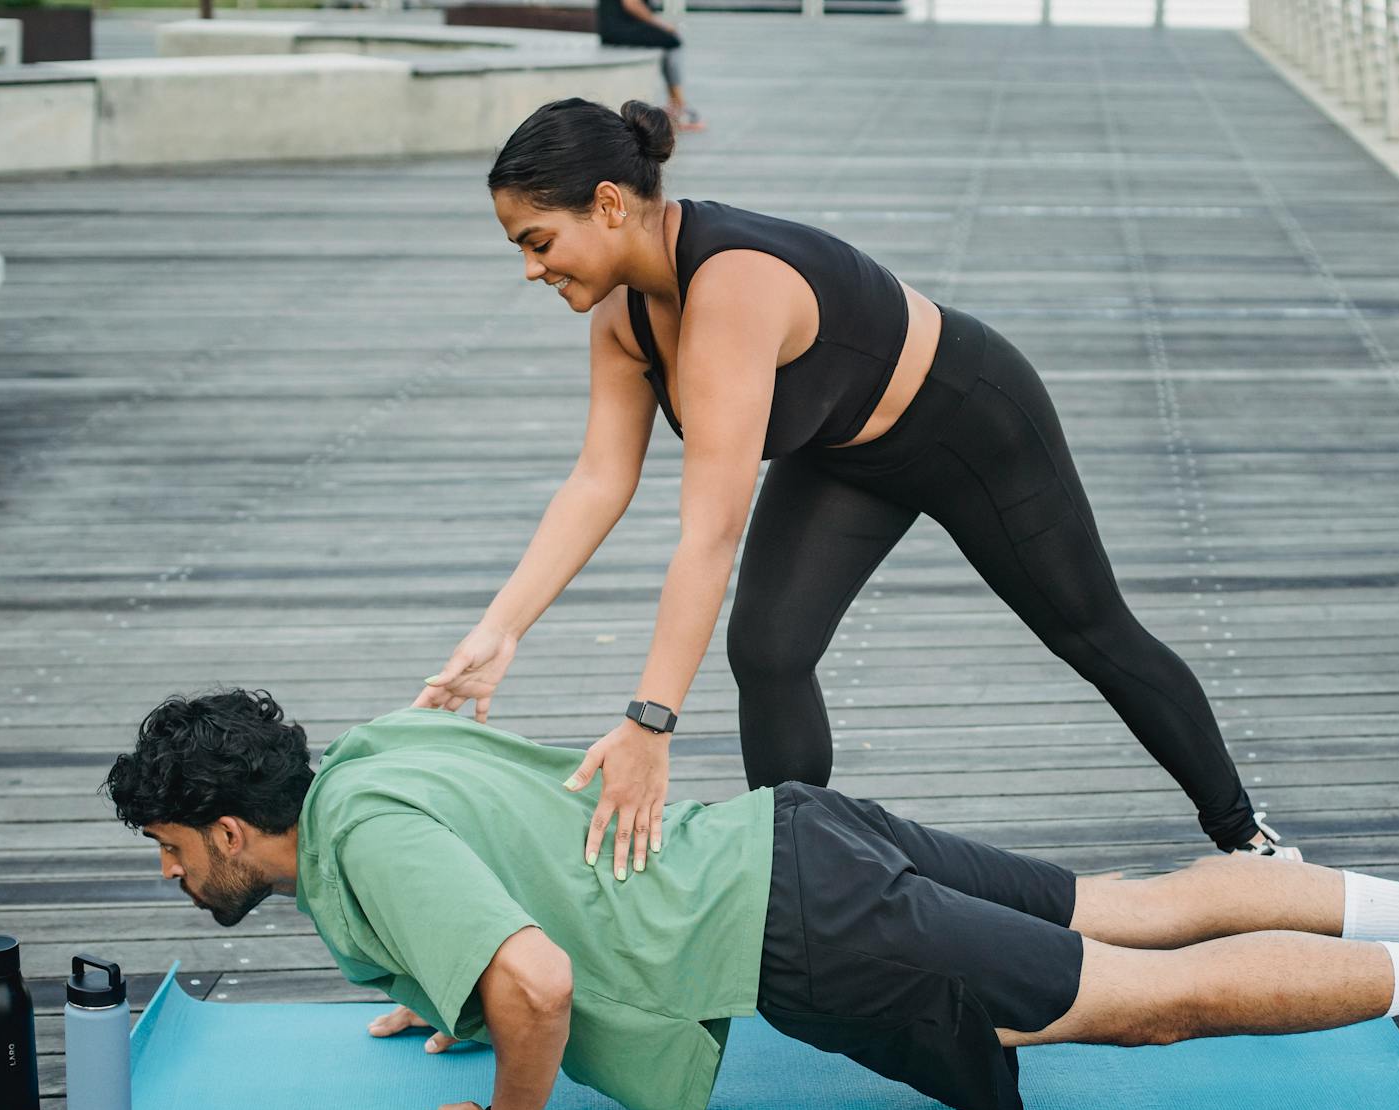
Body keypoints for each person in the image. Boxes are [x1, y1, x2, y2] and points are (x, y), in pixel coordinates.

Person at [102, 690, 1399, 1110]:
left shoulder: (359, 836)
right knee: (1148, 904)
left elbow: (543, 978)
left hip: (805, 925)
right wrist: (447, 988)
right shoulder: (370, 758)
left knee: (1147, 1001)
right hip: (798, 834)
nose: (176, 879)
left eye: (173, 852)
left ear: (233, 830)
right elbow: (506, 879)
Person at [414, 97, 1296, 886]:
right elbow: (598, 480)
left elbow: (710, 533)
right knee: (767, 650)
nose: (531, 268)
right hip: (844, 451)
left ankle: (1249, 841)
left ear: (608, 204)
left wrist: (649, 724)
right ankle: (806, 878)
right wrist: (500, 629)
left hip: (968, 421)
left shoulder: (733, 284)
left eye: (538, 242)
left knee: (1092, 633)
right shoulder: (623, 319)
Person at [596, 0, 702, 131]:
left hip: (613, 28)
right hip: (621, 28)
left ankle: (677, 104)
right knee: (672, 41)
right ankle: (679, 106)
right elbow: (631, 3)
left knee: (669, 40)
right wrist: (660, 24)